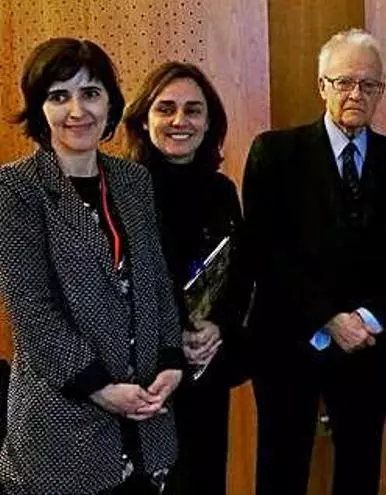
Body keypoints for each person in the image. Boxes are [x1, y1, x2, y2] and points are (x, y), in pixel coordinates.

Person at [240, 28, 386, 495]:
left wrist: (364, 320)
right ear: (322, 85)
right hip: (287, 341)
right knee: (280, 471)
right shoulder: (275, 153)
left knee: (360, 472)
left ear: (381, 90)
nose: (356, 94)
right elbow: (264, 252)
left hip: (368, 344)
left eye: (369, 84)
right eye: (344, 82)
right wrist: (329, 317)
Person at [0, 38, 183, 494]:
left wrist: (170, 360)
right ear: (39, 109)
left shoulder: (133, 180)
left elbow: (155, 281)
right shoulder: (15, 189)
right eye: (59, 96)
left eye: (91, 93)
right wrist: (100, 388)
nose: (77, 110)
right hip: (63, 422)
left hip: (145, 414)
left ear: (110, 103)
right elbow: (32, 313)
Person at [123, 61, 252, 494]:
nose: (180, 120)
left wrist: (219, 326)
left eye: (194, 110)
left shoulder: (222, 191)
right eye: (166, 109)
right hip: (143, 375)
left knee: (205, 479)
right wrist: (173, 335)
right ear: (144, 120)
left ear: (209, 122)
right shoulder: (122, 191)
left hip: (205, 369)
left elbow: (240, 273)